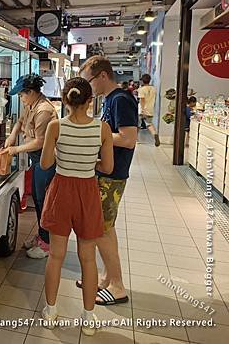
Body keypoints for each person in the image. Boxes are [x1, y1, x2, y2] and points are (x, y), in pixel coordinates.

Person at [39, 77, 114, 336]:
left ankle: (51, 310)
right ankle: (89, 316)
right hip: (88, 193)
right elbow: (108, 167)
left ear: (65, 100)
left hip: (61, 192)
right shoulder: (102, 128)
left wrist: (63, 154)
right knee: (88, 258)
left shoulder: (55, 126)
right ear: (90, 101)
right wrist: (88, 162)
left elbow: (45, 164)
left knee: (55, 256)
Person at [78, 56, 138, 306]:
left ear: (102, 75)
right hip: (107, 172)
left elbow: (128, 138)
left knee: (101, 230)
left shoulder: (121, 100)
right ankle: (106, 278)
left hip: (112, 176)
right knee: (106, 229)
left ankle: (117, 286)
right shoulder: (113, 100)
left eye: (89, 80)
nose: (88, 86)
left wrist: (95, 131)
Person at [3, 74, 58, 259]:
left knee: (44, 201)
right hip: (37, 160)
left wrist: (16, 149)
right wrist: (12, 135)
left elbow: (40, 141)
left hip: (46, 159)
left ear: (32, 92)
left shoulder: (43, 110)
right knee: (37, 196)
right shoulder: (31, 105)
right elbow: (20, 121)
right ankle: (42, 237)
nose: (21, 98)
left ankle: (47, 244)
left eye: (22, 95)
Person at [138, 74, 160, 146]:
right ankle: (155, 134)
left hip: (142, 110)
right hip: (150, 109)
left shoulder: (142, 89)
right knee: (149, 125)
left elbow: (142, 100)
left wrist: (143, 110)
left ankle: (135, 139)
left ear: (142, 81)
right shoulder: (153, 89)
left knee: (137, 125)